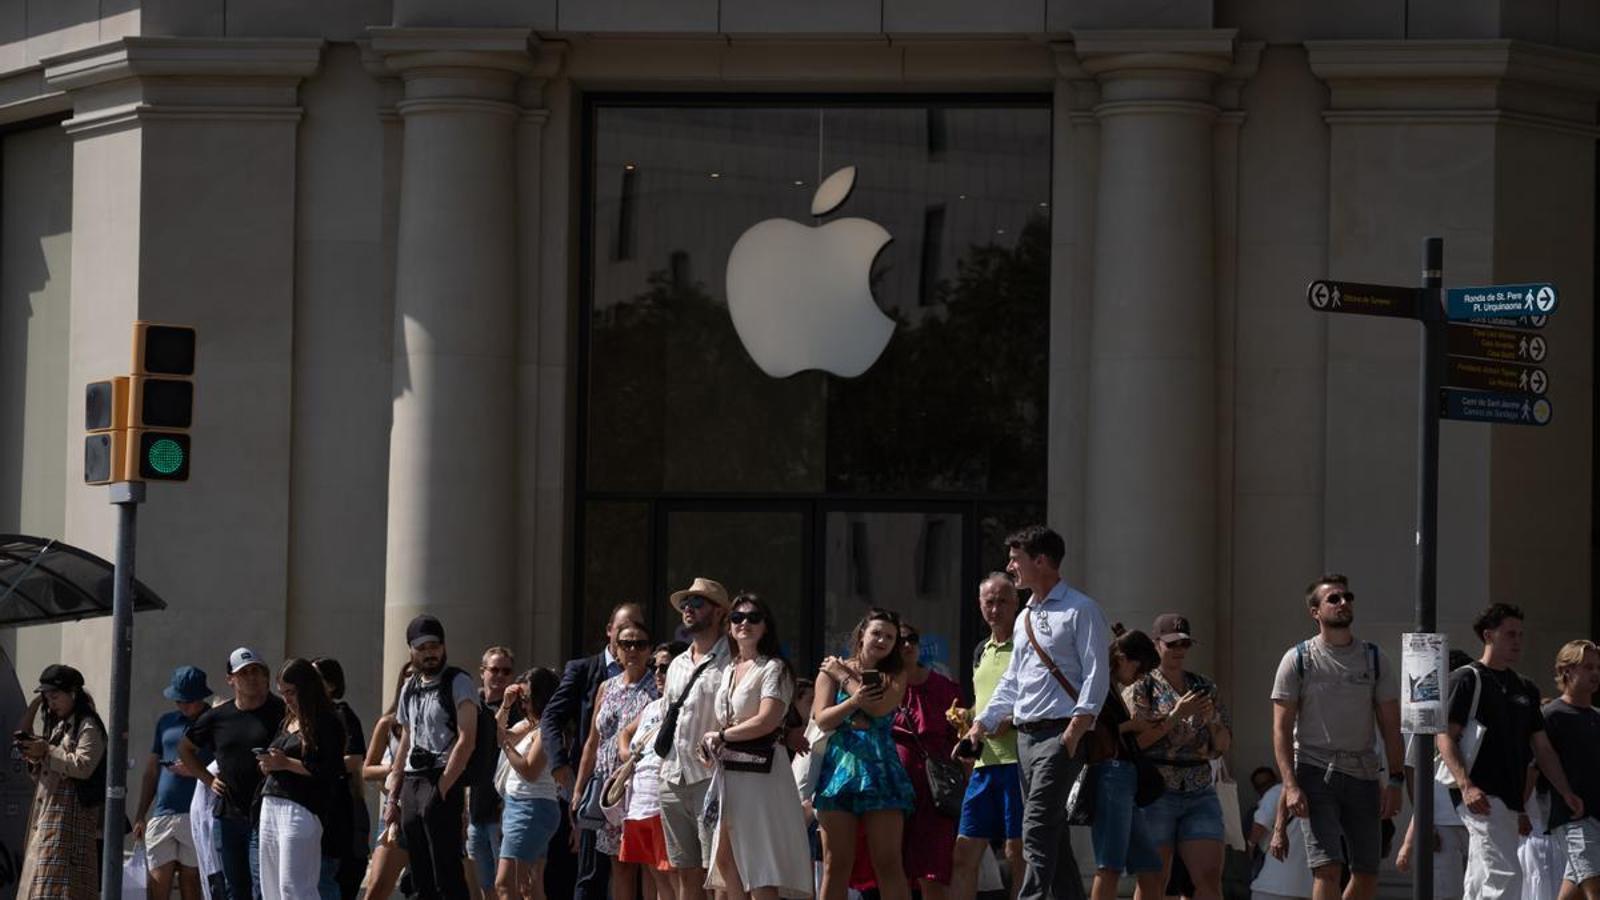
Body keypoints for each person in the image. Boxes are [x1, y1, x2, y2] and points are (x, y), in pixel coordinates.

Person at [962, 525, 1111, 900]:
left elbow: (1097, 671)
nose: (1010, 566)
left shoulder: (1082, 609)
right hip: (1025, 739)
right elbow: (1012, 681)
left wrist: (1077, 728)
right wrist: (981, 724)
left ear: (1040, 561)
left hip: (1060, 734)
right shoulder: (1025, 615)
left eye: (1016, 559)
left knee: (1035, 826)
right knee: (1052, 832)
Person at [1270, 574, 1405, 900]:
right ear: (1315, 611)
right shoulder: (1298, 659)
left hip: (1364, 776)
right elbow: (1281, 730)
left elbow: (1390, 726)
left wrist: (1396, 782)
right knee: (1328, 867)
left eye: (1347, 597)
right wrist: (1290, 785)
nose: (1343, 602)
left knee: (1368, 872)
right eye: (1333, 599)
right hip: (1315, 773)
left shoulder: (1374, 658)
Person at [1437, 604, 1584, 900]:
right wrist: (1467, 785)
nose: (1517, 641)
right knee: (1504, 877)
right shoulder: (1467, 679)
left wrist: (1565, 791)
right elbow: (1444, 737)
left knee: (1482, 878)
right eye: (1510, 634)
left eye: (1520, 635)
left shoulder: (1525, 687)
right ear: (1488, 636)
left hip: (1510, 798)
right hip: (1481, 796)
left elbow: (1542, 748)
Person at [701, 593, 813, 899]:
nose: (744, 624)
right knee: (725, 858)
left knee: (761, 863)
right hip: (729, 772)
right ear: (729, 626)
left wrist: (722, 737)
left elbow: (767, 720)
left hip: (761, 773)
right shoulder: (728, 669)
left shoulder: (774, 668)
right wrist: (713, 740)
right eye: (737, 618)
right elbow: (727, 721)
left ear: (766, 626)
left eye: (753, 618)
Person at [543, 601, 646, 900]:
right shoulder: (586, 671)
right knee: (589, 873)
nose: (630, 642)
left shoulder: (656, 679)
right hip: (595, 788)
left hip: (634, 789)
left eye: (638, 635)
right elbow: (555, 719)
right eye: (624, 634)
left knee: (631, 871)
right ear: (610, 632)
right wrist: (562, 769)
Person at [814, 607, 917, 900]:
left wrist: (846, 681)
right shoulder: (831, 670)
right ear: (862, 634)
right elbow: (822, 718)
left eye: (890, 637)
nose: (882, 640)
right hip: (839, 771)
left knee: (888, 862)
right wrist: (852, 701)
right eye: (877, 633)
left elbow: (879, 708)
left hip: (881, 770)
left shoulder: (895, 674)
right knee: (836, 863)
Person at [1127, 613, 1232, 900]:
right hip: (1157, 790)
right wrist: (1175, 717)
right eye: (1172, 644)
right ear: (1156, 644)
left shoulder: (1204, 686)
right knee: (1153, 881)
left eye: (1184, 643)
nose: (1179, 650)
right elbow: (1136, 743)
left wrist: (1211, 720)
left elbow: (1222, 745)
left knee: (1209, 879)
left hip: (1199, 787)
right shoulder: (1142, 687)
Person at [385, 614, 480, 900]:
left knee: (446, 869)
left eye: (434, 646)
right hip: (413, 780)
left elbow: (467, 739)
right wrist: (393, 797)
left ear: (443, 646)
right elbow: (405, 742)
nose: (429, 653)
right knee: (419, 870)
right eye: (422, 647)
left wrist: (442, 788)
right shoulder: (409, 687)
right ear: (411, 650)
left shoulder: (458, 681)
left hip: (442, 777)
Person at [182, 647, 288, 900]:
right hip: (228, 816)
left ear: (266, 677)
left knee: (263, 887)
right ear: (231, 680)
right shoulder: (218, 716)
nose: (251, 677)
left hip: (268, 813)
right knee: (235, 889)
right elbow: (185, 748)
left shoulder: (283, 711)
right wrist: (207, 779)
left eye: (256, 671)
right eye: (243, 673)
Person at [655, 578, 733, 900]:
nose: (688, 609)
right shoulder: (675, 664)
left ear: (717, 613)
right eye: (686, 603)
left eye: (697, 603)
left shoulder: (733, 660)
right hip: (672, 778)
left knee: (720, 873)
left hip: (712, 779)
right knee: (684, 872)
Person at [951, 573, 1027, 900]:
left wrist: (1012, 719)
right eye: (989, 602)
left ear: (1016, 604)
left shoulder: (1028, 645)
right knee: (964, 853)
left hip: (1019, 762)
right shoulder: (981, 650)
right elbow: (985, 703)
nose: (995, 608)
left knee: (1017, 853)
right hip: (984, 764)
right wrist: (967, 718)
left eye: (1003, 601)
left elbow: (1042, 698)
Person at [573, 620, 659, 900]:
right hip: (608, 790)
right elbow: (592, 741)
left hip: (640, 786)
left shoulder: (656, 688)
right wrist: (579, 788)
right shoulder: (606, 687)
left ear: (650, 650)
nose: (633, 650)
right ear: (615, 649)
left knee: (649, 866)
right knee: (618, 865)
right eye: (626, 644)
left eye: (640, 644)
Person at [257, 658, 348, 900]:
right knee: (271, 887)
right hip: (271, 803)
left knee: (294, 887)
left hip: (301, 808)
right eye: (282, 693)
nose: (286, 699)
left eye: (291, 692)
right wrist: (269, 764)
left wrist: (286, 763)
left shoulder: (328, 721)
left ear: (307, 689)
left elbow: (330, 770)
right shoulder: (287, 721)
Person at [16, 664, 107, 900]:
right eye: (47, 698)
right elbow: (46, 769)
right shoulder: (58, 727)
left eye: (55, 696)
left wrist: (46, 750)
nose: (51, 703)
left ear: (73, 693)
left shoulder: (88, 724)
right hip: (49, 815)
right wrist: (35, 756)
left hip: (71, 820)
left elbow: (83, 766)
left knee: (64, 889)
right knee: (41, 886)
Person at [1090, 630, 1167, 900]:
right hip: (1111, 774)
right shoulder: (1098, 684)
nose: (1140, 676)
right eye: (1139, 668)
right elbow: (1092, 731)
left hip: (1123, 776)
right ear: (1122, 658)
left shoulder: (1109, 686)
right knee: (1109, 865)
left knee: (1151, 868)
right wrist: (1132, 725)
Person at [891, 620, 961, 900]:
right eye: (901, 640)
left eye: (913, 639)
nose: (907, 645)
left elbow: (959, 736)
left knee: (932, 868)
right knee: (893, 865)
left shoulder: (944, 687)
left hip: (935, 789)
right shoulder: (884, 685)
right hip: (894, 785)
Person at [133, 665, 213, 900]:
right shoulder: (166, 722)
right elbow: (151, 770)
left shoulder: (215, 721)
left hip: (197, 813)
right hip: (162, 813)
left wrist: (195, 771)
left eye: (188, 700)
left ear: (201, 696)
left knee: (191, 883)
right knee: (157, 883)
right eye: (178, 700)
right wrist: (140, 814)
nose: (182, 705)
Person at [614, 645, 678, 898]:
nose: (658, 673)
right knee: (654, 875)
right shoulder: (652, 707)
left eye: (665, 667)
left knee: (673, 877)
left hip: (665, 803)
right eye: (654, 667)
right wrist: (625, 752)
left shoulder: (685, 705)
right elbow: (625, 732)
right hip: (639, 803)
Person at [1539, 640, 1600, 900]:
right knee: (1595, 889)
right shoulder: (1551, 715)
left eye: (1597, 667)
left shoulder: (1597, 716)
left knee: (1572, 893)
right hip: (1573, 818)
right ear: (1567, 671)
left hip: (1597, 814)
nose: (1595, 673)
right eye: (1587, 667)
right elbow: (1538, 762)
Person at [496, 667, 562, 900]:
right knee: (529, 887)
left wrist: (505, 744)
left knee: (507, 884)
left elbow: (530, 770)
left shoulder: (548, 729)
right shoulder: (531, 725)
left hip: (532, 808)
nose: (523, 705)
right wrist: (505, 704)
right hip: (521, 807)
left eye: (526, 699)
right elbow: (498, 732)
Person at [309, 657, 369, 900]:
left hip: (338, 808)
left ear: (331, 685)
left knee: (332, 877)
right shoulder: (303, 716)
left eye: (315, 679)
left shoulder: (342, 714)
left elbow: (354, 759)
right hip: (311, 807)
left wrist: (313, 768)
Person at [359, 662, 413, 900]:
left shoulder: (442, 718)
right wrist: (394, 768)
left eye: (419, 675)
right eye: (409, 675)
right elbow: (366, 770)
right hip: (396, 811)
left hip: (432, 807)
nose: (413, 679)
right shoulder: (389, 723)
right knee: (377, 887)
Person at [470, 647, 520, 895]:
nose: (500, 676)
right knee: (485, 886)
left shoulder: (517, 710)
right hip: (475, 809)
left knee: (507, 887)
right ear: (482, 672)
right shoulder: (472, 707)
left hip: (503, 810)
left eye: (506, 671)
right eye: (494, 670)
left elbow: (503, 742)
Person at [1252, 769, 1313, 900]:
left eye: (1267, 783)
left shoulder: (1275, 792)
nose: (1265, 788)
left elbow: (1259, 827)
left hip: (1271, 886)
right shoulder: (1325, 797)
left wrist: (1250, 846)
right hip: (1307, 889)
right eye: (1260, 786)